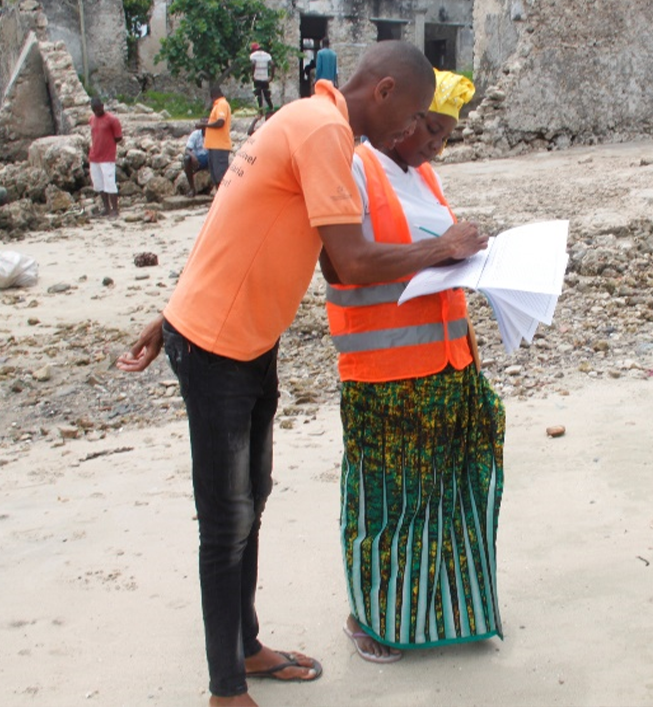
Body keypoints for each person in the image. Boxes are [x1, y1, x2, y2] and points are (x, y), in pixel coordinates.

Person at [116, 41, 488, 707]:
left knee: (250, 503)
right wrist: (445, 246)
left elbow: (230, 221)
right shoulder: (324, 133)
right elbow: (351, 262)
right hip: (218, 347)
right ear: (382, 92)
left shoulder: (300, 120)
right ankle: (225, 691)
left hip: (243, 339)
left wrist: (167, 313)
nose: (410, 132)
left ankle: (246, 647)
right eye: (410, 116)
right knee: (225, 521)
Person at [321, 70, 501, 664]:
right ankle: (368, 615)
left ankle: (434, 612)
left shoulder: (425, 174)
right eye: (431, 130)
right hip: (384, 377)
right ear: (404, 115)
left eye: (446, 134)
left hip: (446, 364)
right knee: (385, 501)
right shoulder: (353, 166)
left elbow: (437, 263)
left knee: (441, 494)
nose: (436, 146)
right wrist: (443, 248)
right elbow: (346, 267)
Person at [88, 96, 123, 217]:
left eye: (98, 109)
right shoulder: (92, 119)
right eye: (94, 110)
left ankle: (115, 209)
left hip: (107, 156)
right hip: (94, 156)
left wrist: (108, 144)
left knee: (110, 183)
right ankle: (106, 207)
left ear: (102, 106)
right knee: (99, 184)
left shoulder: (112, 120)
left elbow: (118, 137)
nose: (97, 112)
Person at [199, 86, 231, 191]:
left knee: (221, 177)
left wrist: (206, 125)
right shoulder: (218, 105)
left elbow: (220, 122)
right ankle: (220, 200)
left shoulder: (222, 104)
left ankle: (225, 201)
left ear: (213, 96)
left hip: (220, 147)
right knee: (216, 177)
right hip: (214, 146)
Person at [182, 127, 209, 196]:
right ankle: (192, 188)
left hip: (209, 157)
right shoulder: (195, 134)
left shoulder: (213, 134)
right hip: (198, 158)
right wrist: (193, 157)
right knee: (187, 159)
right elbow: (187, 150)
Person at [249, 42, 274, 111]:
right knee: (266, 95)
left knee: (258, 95)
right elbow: (272, 64)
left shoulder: (253, 55)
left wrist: (252, 74)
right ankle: (271, 108)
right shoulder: (267, 55)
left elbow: (253, 63)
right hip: (265, 78)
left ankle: (260, 110)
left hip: (257, 77)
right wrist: (271, 76)